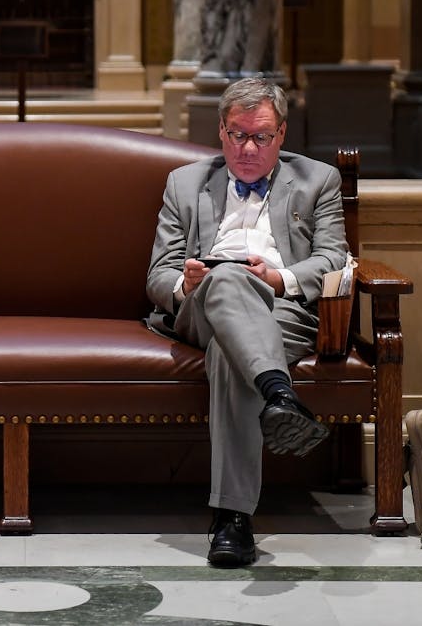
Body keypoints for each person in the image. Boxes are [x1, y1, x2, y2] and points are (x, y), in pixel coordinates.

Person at [146, 77, 348, 568]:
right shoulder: (185, 182)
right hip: (202, 305)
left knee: (227, 352)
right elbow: (158, 275)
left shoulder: (318, 180)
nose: (248, 148)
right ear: (221, 131)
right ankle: (280, 393)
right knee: (228, 280)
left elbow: (333, 259)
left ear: (281, 135)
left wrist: (278, 279)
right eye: (237, 135)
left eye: (261, 137)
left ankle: (232, 521)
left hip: (282, 309)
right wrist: (187, 284)